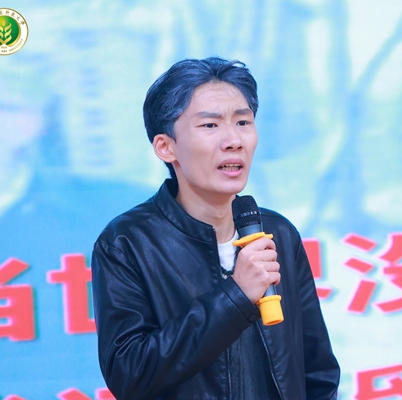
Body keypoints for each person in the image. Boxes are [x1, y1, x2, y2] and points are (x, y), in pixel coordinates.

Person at [91, 57, 340, 399]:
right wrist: (236, 296)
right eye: (210, 125)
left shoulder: (279, 233)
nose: (233, 140)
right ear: (166, 146)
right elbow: (129, 374)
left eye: (243, 122)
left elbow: (317, 371)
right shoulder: (128, 243)